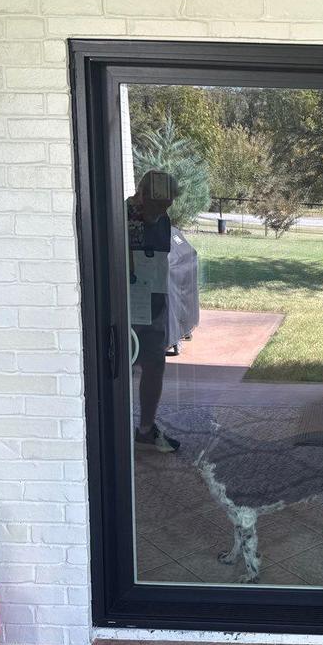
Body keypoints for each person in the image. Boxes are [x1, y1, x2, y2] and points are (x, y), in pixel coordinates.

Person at [127, 170, 181, 452]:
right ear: (142, 195)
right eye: (158, 204)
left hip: (154, 303)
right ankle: (115, 426)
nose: (162, 211)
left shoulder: (164, 220)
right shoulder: (122, 215)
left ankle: (146, 428)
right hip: (125, 303)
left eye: (167, 205)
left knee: (154, 364)